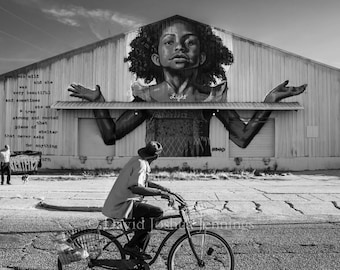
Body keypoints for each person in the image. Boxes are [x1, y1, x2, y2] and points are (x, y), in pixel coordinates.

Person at [68, 16, 307, 153]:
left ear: (202, 57)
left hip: (198, 178)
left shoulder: (211, 99)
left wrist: (270, 102)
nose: (179, 47)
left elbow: (242, 138)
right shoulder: (148, 99)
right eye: (169, 42)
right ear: (155, 57)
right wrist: (98, 102)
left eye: (189, 42)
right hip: (155, 176)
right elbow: (111, 136)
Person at [102, 141, 174, 259]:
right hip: (124, 205)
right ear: (156, 156)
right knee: (157, 213)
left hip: (125, 204)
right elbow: (135, 188)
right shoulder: (141, 164)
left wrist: (163, 189)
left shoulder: (138, 160)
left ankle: (134, 262)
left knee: (145, 232)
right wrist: (161, 193)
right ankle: (130, 246)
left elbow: (143, 182)